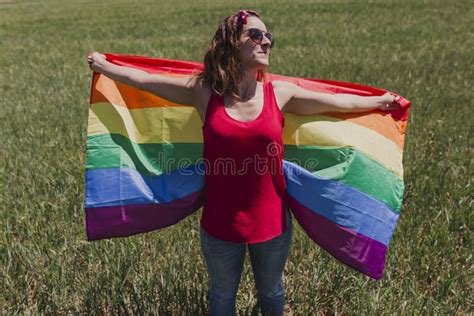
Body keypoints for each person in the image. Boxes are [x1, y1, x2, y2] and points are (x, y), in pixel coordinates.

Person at [87, 9, 401, 316]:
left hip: (273, 225)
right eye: (255, 34)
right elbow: (144, 80)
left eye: (269, 36)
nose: (265, 41)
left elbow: (339, 102)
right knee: (222, 295)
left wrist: (379, 101)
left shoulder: (279, 93)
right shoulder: (204, 92)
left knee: (271, 293)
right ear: (231, 43)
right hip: (220, 226)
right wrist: (105, 66)